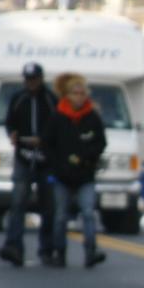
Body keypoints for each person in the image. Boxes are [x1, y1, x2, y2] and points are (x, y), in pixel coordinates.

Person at [43, 73, 107, 268]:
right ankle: (59, 251)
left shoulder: (92, 117)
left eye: (82, 93)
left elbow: (100, 143)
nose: (79, 97)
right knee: (61, 215)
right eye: (75, 93)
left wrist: (86, 157)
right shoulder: (58, 116)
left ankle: (90, 250)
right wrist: (58, 164)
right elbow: (48, 144)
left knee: (88, 212)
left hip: (85, 174)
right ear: (67, 95)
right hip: (62, 176)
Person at [0, 62, 58, 267]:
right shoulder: (18, 98)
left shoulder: (50, 99)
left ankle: (47, 248)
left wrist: (43, 140)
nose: (31, 83)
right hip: (23, 157)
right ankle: (14, 246)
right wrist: (13, 135)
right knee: (18, 203)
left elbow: (58, 126)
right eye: (28, 79)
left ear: (41, 79)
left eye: (34, 79)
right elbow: (9, 123)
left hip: (46, 159)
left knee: (48, 206)